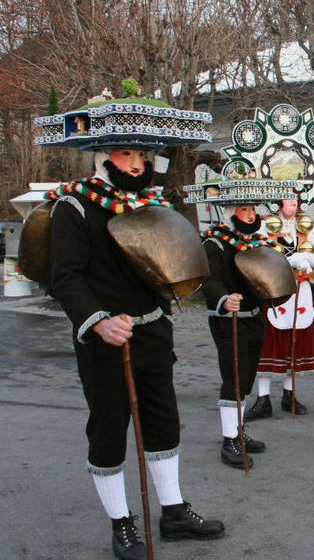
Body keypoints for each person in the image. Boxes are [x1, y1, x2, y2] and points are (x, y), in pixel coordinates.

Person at [49, 146, 224, 559]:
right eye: (124, 154)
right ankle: (120, 520)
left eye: (142, 155)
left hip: (153, 332)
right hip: (106, 338)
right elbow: (65, 278)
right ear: (101, 155)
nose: (135, 164)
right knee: (109, 428)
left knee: (163, 420)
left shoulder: (150, 204)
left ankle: (174, 511)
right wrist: (97, 321)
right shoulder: (73, 207)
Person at [201, 204, 268, 469]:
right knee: (234, 377)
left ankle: (238, 431)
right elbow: (208, 279)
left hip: (253, 316)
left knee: (248, 376)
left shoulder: (254, 243)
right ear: (230, 212)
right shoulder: (214, 243)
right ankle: (229, 440)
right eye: (244, 210)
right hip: (227, 320)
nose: (251, 215)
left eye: (253, 209)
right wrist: (224, 298)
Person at [246, 198, 314, 419]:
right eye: (288, 199)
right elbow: (259, 256)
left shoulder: (307, 225)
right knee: (268, 343)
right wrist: (289, 261)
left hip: (301, 292)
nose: (293, 203)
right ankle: (263, 399)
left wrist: (305, 257)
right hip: (274, 291)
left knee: (295, 343)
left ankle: (289, 394)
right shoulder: (265, 224)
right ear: (278, 202)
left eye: (295, 199)